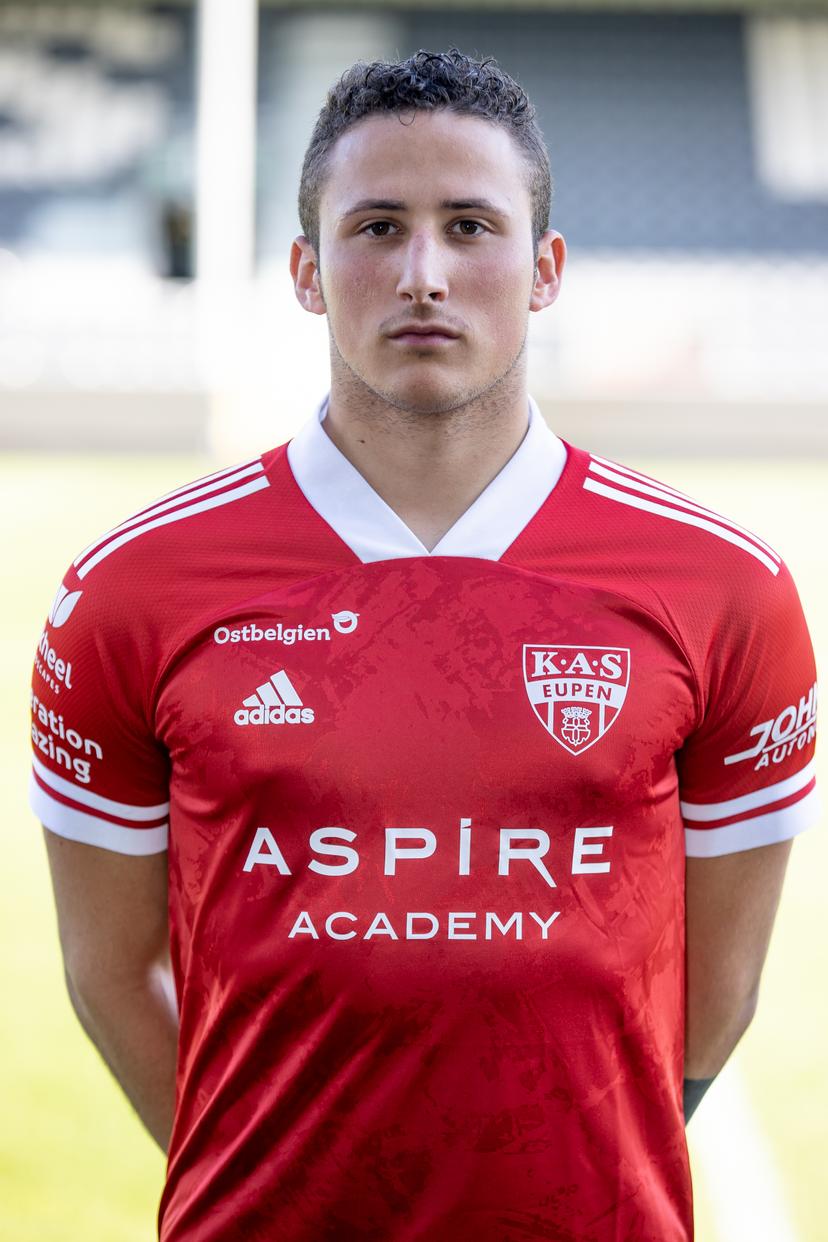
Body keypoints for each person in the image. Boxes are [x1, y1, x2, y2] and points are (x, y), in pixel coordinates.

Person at [30, 47, 818, 1242]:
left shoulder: (727, 590)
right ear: (305, 270)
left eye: (469, 226)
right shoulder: (128, 594)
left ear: (545, 270)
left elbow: (721, 987)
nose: (424, 274)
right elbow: (109, 974)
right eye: (379, 226)